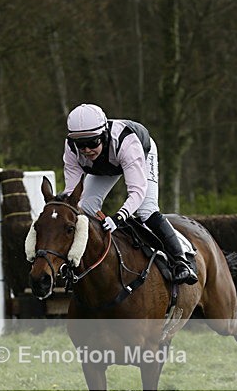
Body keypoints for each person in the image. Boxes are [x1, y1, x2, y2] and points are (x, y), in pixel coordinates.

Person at [61, 103, 197, 285]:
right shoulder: (71, 148)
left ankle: (181, 260)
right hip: (105, 166)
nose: (86, 150)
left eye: (92, 143)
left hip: (140, 152)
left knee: (146, 210)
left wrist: (118, 217)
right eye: (81, 145)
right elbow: (72, 194)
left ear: (104, 135)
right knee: (85, 207)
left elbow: (137, 191)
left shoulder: (127, 143)